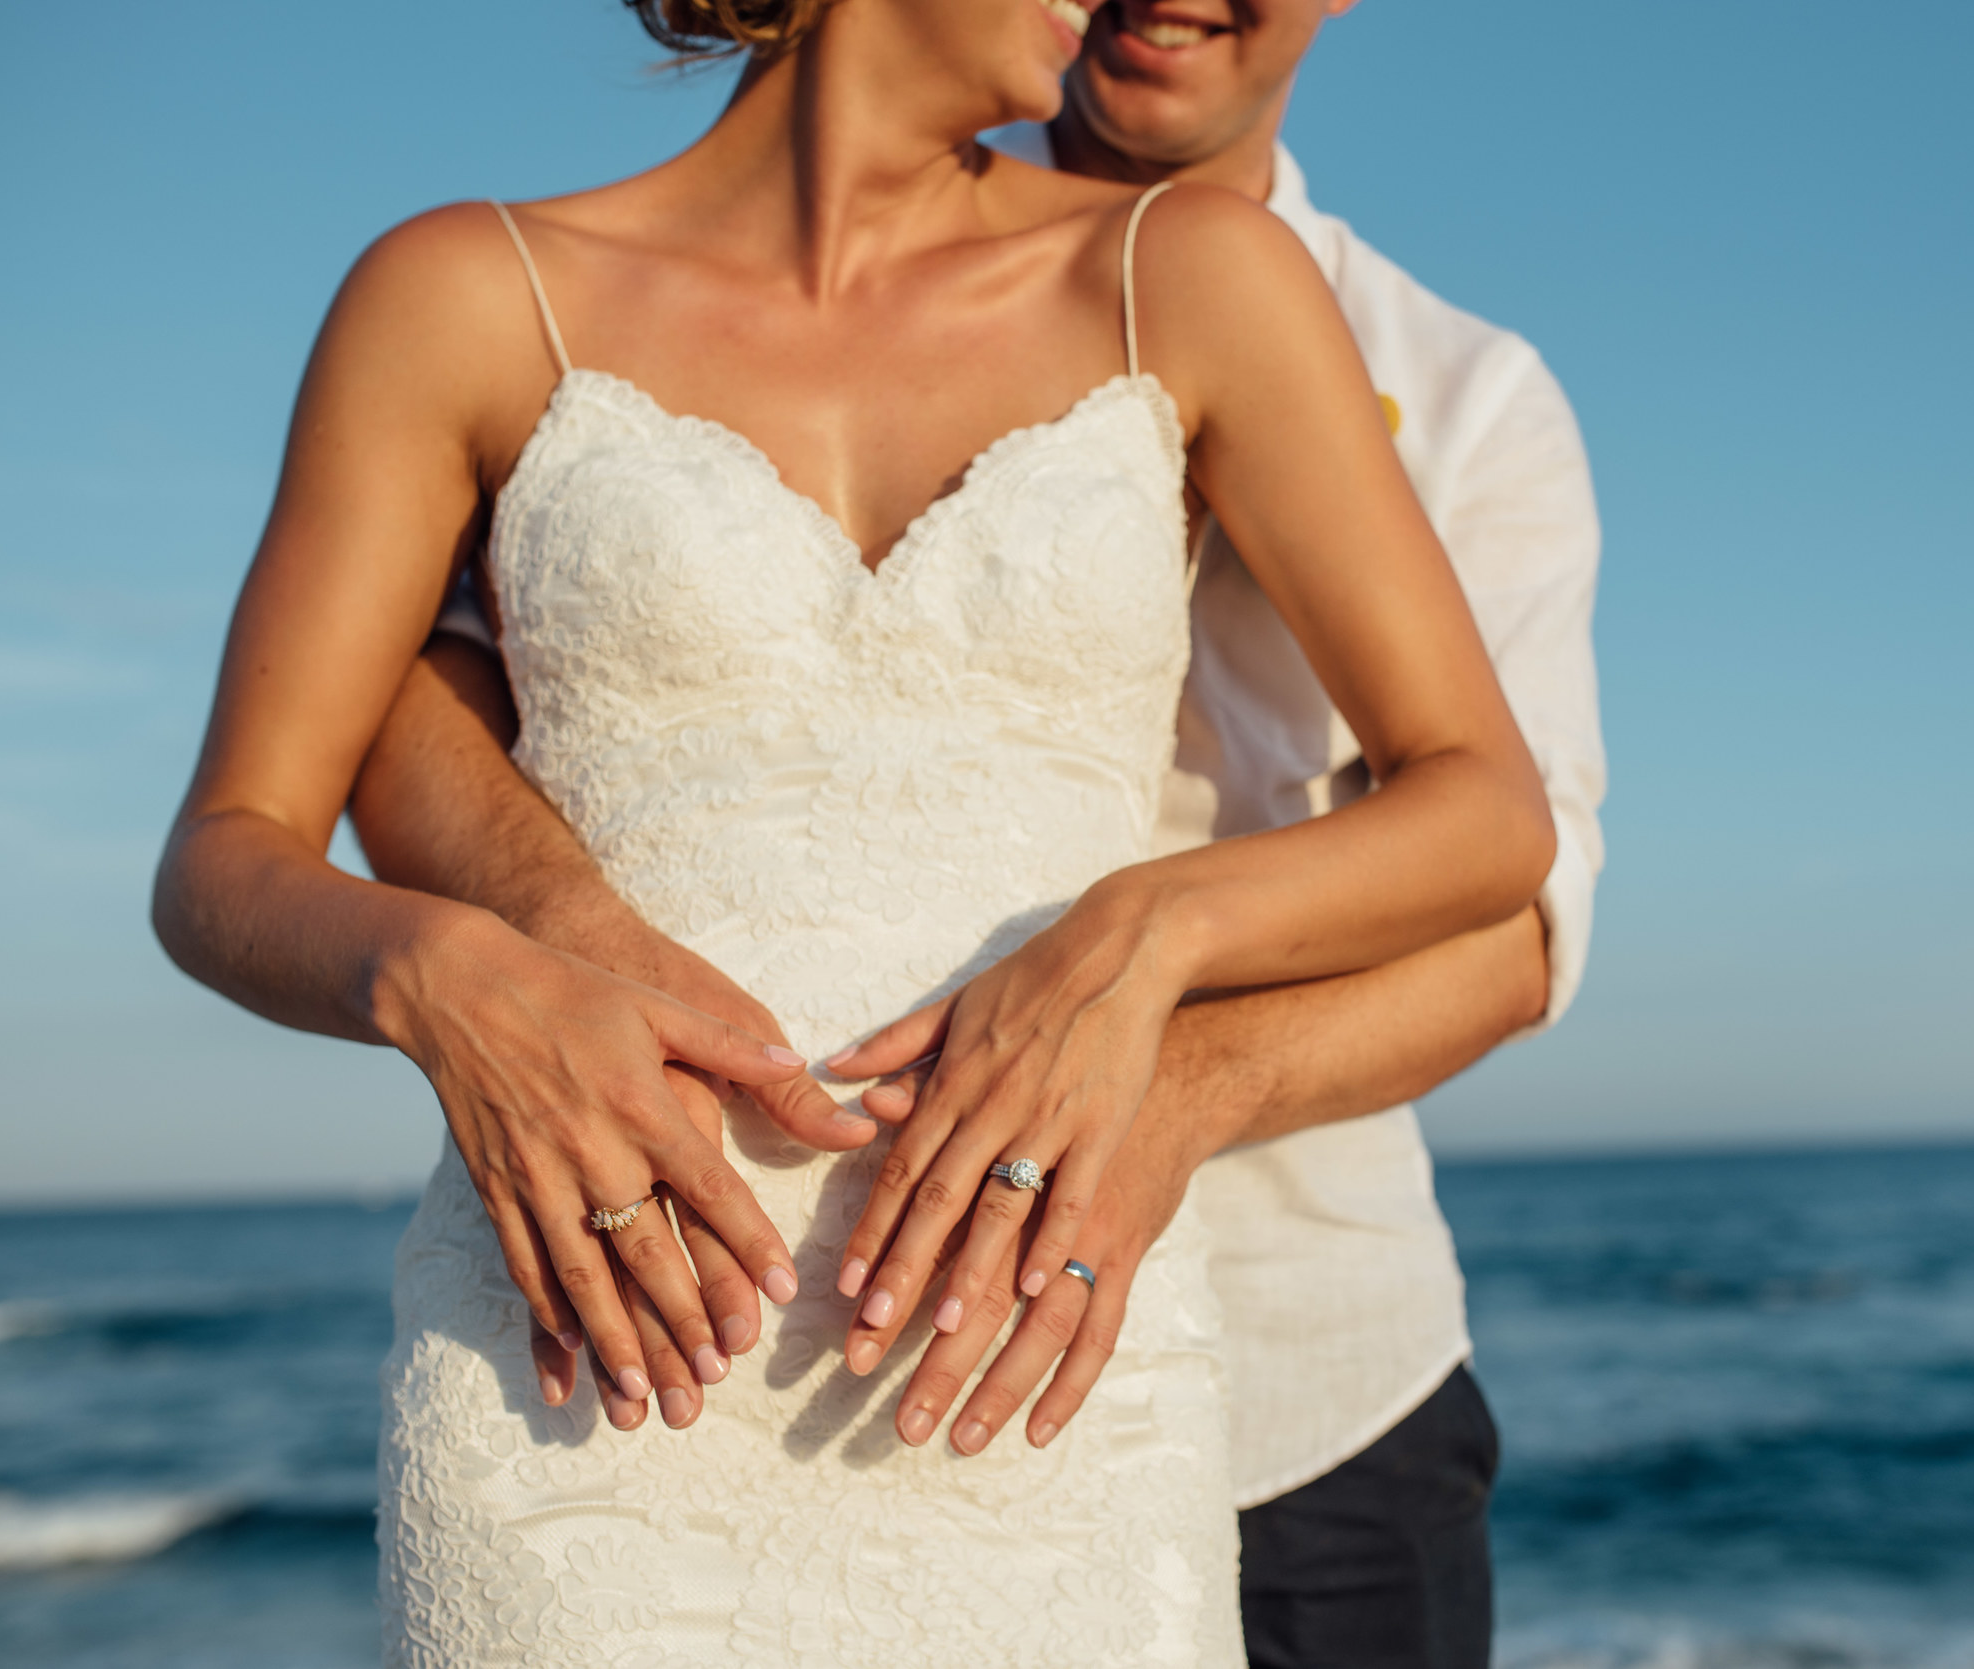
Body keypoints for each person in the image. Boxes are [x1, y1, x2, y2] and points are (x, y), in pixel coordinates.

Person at [151, 0, 1557, 1661]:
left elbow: (1489, 811)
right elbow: (229, 848)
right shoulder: (465, 292)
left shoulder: (1188, 274)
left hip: (1027, 1392)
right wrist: (446, 979)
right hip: (591, 1387)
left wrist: (1143, 932)